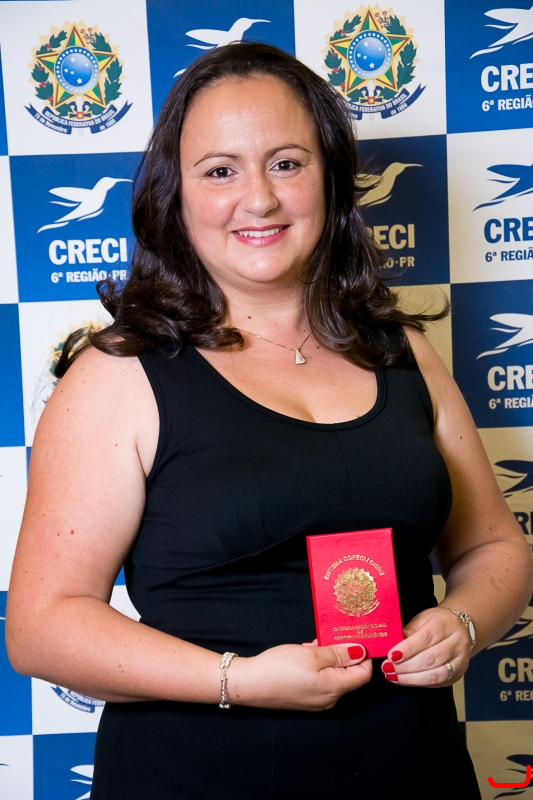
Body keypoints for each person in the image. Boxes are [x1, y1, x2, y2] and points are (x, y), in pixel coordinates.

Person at [6, 43, 533, 800]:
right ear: (175, 195)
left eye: (286, 163)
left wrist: (465, 622)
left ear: (330, 178)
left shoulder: (403, 353)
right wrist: (238, 679)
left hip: (409, 769)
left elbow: (492, 547)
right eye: (219, 171)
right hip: (197, 776)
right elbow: (41, 627)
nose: (258, 199)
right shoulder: (120, 375)